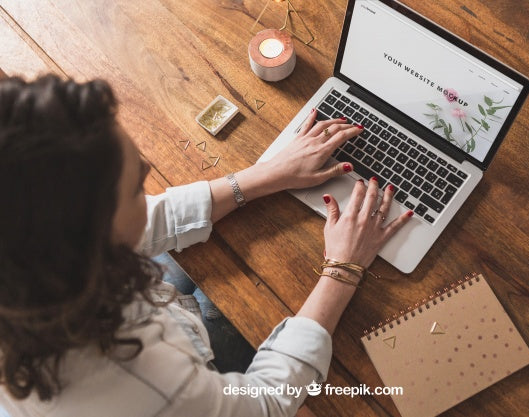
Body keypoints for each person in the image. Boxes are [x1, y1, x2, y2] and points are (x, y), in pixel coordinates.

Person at [0, 75, 412, 416]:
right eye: (135, 188)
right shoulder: (144, 386)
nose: (149, 172)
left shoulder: (27, 253)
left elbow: (144, 222)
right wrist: (344, 267)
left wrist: (267, 175)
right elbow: (264, 402)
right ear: (86, 244)